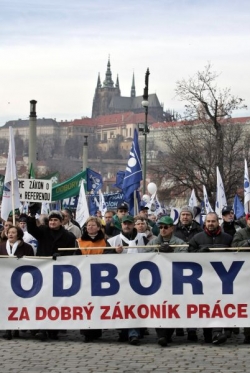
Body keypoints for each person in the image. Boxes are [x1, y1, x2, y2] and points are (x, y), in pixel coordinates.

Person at [188, 212, 233, 345]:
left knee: (220, 304)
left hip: (223, 279)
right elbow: (188, 254)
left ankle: (217, 332)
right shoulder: (197, 238)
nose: (211, 224)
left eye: (213, 221)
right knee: (206, 305)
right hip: (203, 279)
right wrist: (198, 253)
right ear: (204, 223)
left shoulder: (227, 238)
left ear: (218, 222)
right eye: (208, 221)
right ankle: (209, 334)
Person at [106, 215, 148, 346]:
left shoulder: (143, 239)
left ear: (134, 224)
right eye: (125, 223)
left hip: (139, 278)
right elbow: (103, 258)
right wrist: (114, 252)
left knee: (134, 305)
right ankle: (126, 331)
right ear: (121, 224)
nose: (127, 226)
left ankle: (133, 332)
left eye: (130, 223)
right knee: (122, 305)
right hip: (119, 279)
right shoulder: (113, 241)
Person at [147, 215, 187, 347]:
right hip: (157, 280)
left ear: (172, 228)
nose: (162, 229)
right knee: (160, 307)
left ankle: (168, 334)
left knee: (172, 308)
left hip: (174, 280)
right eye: (160, 227)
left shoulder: (179, 242)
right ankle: (161, 335)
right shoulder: (152, 242)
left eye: (165, 227)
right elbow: (145, 256)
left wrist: (171, 253)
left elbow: (186, 257)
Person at [75, 216, 106, 342]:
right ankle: (86, 332)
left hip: (98, 277)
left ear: (98, 228)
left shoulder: (104, 242)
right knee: (86, 304)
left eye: (93, 225)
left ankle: (96, 330)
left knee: (97, 304)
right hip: (84, 277)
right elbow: (75, 256)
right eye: (88, 225)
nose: (90, 227)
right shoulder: (79, 241)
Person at [0, 226, 34, 340]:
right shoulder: (1, 246)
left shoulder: (27, 247)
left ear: (18, 235)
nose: (10, 234)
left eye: (13, 232)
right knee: (7, 305)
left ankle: (18, 328)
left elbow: (32, 263)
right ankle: (8, 330)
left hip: (21, 281)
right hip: (4, 280)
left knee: (18, 305)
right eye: (8, 232)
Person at [231, 212, 250, 343]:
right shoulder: (241, 233)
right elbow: (235, 246)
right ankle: (248, 334)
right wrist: (248, 242)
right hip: (245, 271)